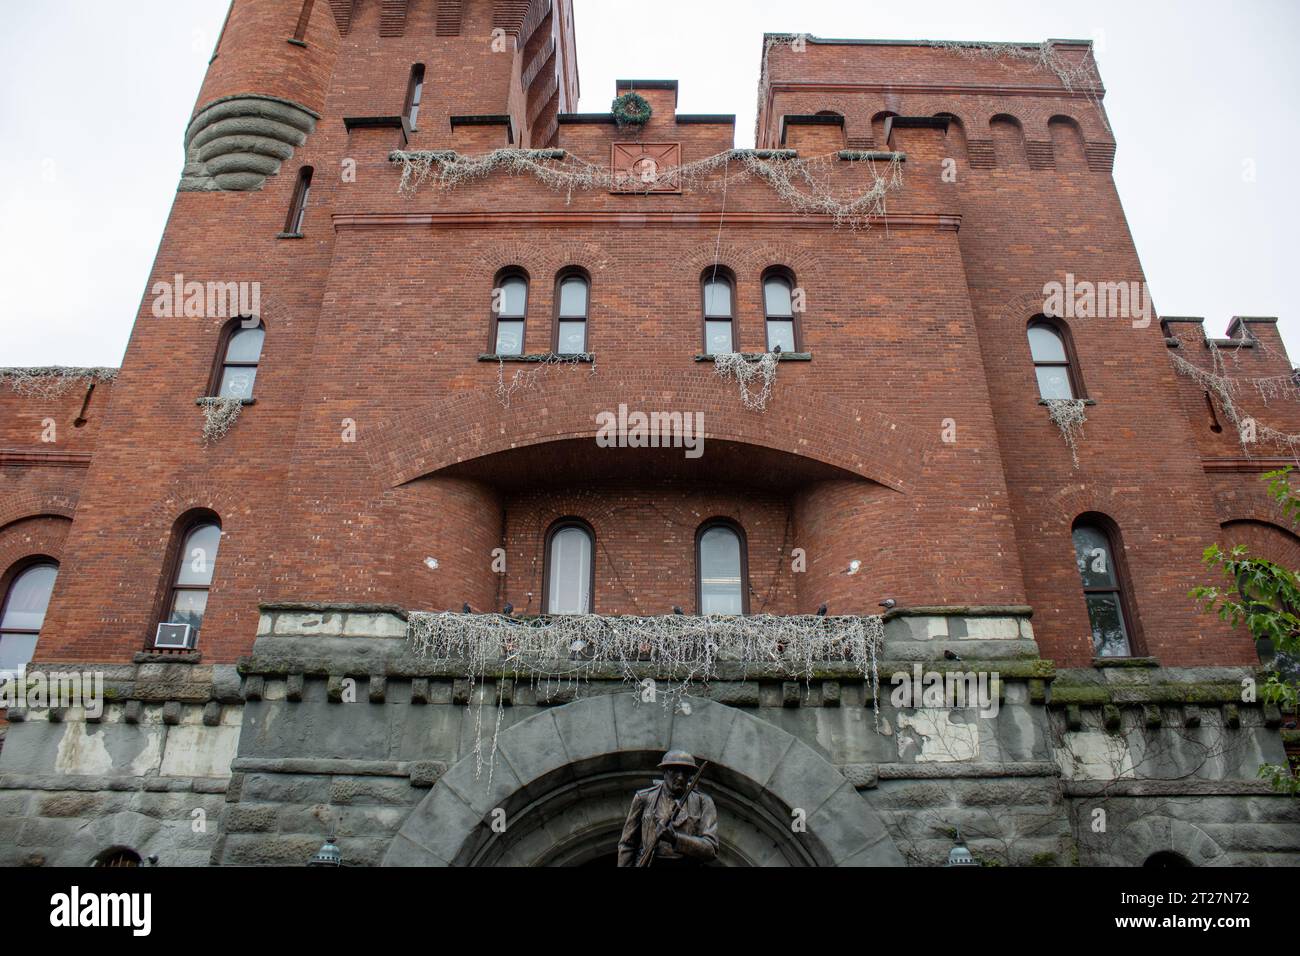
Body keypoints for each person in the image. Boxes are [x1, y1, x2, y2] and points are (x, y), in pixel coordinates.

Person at [617, 750, 719, 867]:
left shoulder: (703, 801)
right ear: (664, 772)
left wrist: (675, 838)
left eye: (685, 772)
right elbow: (627, 844)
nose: (680, 777)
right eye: (674, 770)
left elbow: (711, 849)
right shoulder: (644, 798)